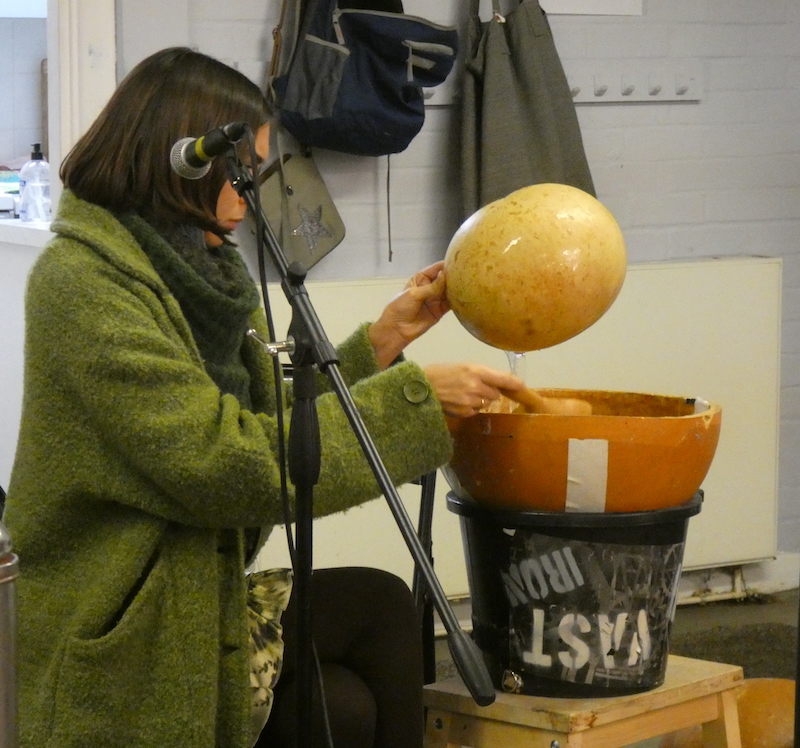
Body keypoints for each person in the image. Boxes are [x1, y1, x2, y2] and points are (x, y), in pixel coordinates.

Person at [3, 47, 524, 748]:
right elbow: (219, 461)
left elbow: (261, 411)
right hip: (126, 618)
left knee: (381, 606)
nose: (254, 191)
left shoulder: (202, 270)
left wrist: (383, 341)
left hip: (196, 586)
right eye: (244, 169)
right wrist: (414, 404)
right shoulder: (82, 284)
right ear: (187, 160)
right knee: (340, 708)